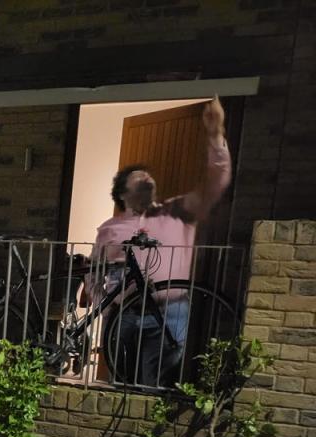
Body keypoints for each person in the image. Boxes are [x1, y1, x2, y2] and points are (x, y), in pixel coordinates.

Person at [84, 96, 232, 386]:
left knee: (159, 385)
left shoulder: (178, 212)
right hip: (124, 314)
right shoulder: (110, 229)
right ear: (122, 193)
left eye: (150, 178)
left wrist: (216, 136)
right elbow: (95, 268)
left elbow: (216, 184)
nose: (147, 178)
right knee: (120, 382)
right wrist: (103, 302)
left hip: (170, 311)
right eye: (139, 178)